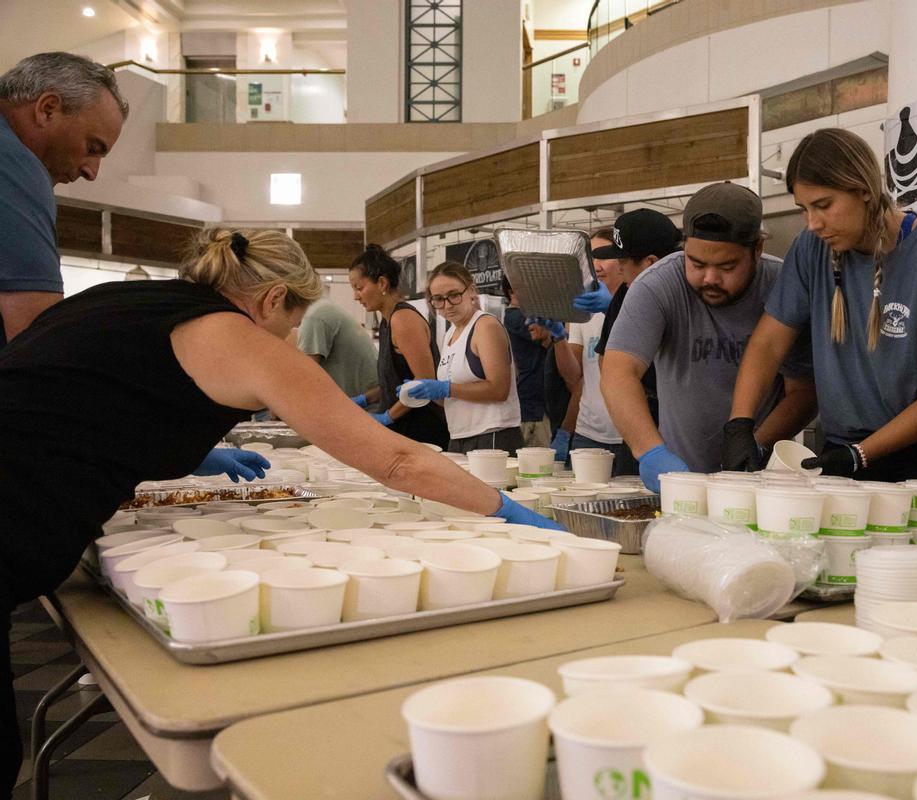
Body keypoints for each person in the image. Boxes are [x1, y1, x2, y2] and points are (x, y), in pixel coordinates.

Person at [0, 229, 560, 798]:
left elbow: (91, 405)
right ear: (271, 300)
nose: (290, 334)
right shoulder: (236, 336)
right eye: (293, 320)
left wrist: (192, 452)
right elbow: (395, 463)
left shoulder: (116, 302)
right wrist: (505, 508)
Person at [725, 129, 917, 481]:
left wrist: (860, 456)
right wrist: (740, 425)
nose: (813, 223)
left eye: (824, 205)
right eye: (804, 209)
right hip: (846, 449)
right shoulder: (812, 249)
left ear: (864, 190)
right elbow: (768, 341)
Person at [600, 182, 811, 491]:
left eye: (727, 266)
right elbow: (618, 371)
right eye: (696, 263)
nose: (710, 278)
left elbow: (804, 390)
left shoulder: (784, 286)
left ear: (758, 249)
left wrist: (755, 444)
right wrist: (651, 452)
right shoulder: (658, 285)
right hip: (680, 479)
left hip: (763, 483)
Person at [0, 52, 127, 346]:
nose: (91, 172)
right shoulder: (14, 164)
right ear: (47, 109)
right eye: (92, 148)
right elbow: (38, 343)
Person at [406, 261, 525, 455]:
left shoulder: (485, 326)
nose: (447, 305)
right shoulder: (450, 335)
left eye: (454, 295)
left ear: (471, 290)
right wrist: (429, 393)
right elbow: (457, 397)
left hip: (492, 435)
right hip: (460, 435)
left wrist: (445, 388)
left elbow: (499, 389)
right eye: (438, 299)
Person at [348, 244, 448, 447]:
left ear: (382, 283)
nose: (355, 296)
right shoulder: (387, 320)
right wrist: (363, 400)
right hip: (403, 430)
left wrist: (388, 417)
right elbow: (397, 381)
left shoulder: (403, 319)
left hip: (422, 432)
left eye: (360, 288)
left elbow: (424, 382)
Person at [591, 208, 683, 427]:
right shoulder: (624, 295)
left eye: (623, 262)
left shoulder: (692, 297)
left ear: (650, 263)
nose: (619, 269)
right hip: (645, 416)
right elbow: (607, 362)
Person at [565, 227, 637, 474]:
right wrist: (557, 339)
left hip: (630, 433)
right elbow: (575, 377)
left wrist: (612, 310)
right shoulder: (585, 309)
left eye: (602, 255)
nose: (595, 265)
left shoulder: (640, 304)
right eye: (589, 258)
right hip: (589, 433)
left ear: (623, 262)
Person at [501, 278, 553, 447]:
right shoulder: (516, 317)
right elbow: (548, 337)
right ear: (512, 292)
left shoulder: (524, 316)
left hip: (537, 404)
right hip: (532, 408)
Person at [296, 297, 377, 398]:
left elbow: (304, 376)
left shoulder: (314, 317)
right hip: (364, 399)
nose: (355, 296)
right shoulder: (321, 307)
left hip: (362, 405)